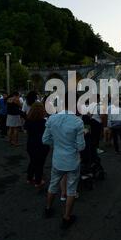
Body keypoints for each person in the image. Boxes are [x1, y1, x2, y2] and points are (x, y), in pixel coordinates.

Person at [42, 93, 86, 230]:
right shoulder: (78, 122)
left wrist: (57, 144)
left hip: (57, 159)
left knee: (53, 184)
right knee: (71, 189)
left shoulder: (52, 119)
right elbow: (81, 146)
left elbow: (45, 140)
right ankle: (66, 217)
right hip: (72, 160)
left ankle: (48, 208)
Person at [24, 102, 50, 188]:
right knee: (40, 164)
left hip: (31, 144)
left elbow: (25, 131)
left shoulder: (28, 120)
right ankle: (38, 181)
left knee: (32, 161)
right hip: (42, 145)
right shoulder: (44, 122)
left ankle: (29, 177)